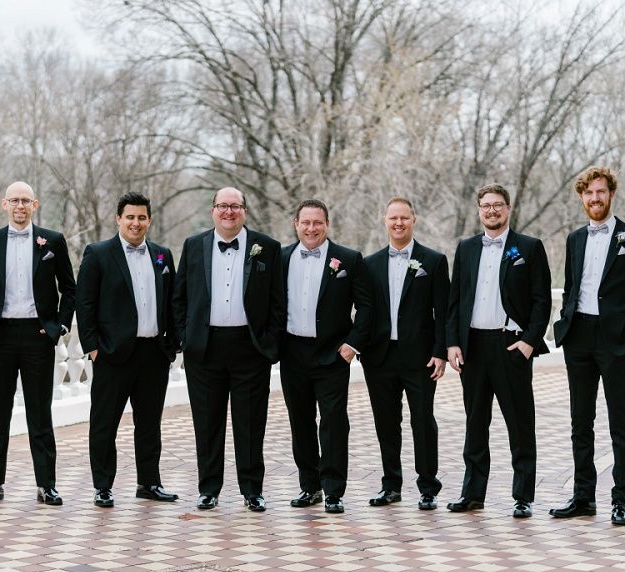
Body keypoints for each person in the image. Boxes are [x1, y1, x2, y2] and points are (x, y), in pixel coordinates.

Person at [549, 166, 625, 526]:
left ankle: (621, 500)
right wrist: (565, 319)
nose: (595, 198)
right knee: (581, 421)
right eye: (589, 193)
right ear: (582, 197)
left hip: (616, 340)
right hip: (579, 336)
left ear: (611, 194)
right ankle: (583, 497)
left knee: (620, 421)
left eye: (601, 192)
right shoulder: (575, 239)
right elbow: (571, 286)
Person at [172, 187, 285, 512]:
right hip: (204, 349)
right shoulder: (194, 246)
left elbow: (278, 301)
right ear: (213, 210)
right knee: (207, 423)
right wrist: (185, 336)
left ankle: (252, 490)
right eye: (223, 206)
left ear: (244, 211)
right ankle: (209, 488)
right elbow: (179, 297)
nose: (229, 212)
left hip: (250, 348)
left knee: (250, 423)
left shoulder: (267, 248)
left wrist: (269, 342)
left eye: (235, 206)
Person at [0, 181, 76, 506]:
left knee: (39, 413)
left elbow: (70, 288)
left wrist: (60, 326)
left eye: (25, 200)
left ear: (35, 204)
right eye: (14, 200)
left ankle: (47, 485)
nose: (19, 206)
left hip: (37, 337)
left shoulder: (52, 241)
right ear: (4, 204)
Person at [445, 183, 551, 518]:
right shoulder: (466, 248)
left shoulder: (528, 248)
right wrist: (452, 343)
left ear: (508, 208)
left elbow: (541, 300)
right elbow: (455, 301)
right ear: (479, 210)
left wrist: (529, 343)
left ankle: (523, 496)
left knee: (520, 423)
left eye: (498, 205)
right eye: (486, 205)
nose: (492, 211)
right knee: (475, 423)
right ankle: (472, 494)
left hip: (510, 346)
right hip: (473, 346)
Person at [76, 192, 179, 508]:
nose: (136, 223)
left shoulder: (162, 256)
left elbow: (174, 303)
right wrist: (94, 348)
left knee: (149, 423)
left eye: (142, 217)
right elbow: (85, 304)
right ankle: (103, 486)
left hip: (153, 354)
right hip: (113, 355)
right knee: (104, 423)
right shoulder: (98, 253)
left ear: (149, 219)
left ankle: (149, 483)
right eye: (130, 217)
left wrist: (171, 346)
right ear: (118, 219)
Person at [279, 199, 372, 514]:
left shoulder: (347, 259)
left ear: (327, 224)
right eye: (305, 222)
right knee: (300, 421)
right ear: (296, 224)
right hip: (292, 352)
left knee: (333, 422)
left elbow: (367, 307)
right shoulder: (282, 259)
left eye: (317, 222)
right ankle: (310, 486)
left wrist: (351, 345)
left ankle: (333, 490)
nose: (311, 228)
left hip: (333, 354)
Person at [362, 197, 449, 511]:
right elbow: (364, 310)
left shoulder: (434, 261)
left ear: (414, 220)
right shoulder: (369, 264)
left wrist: (440, 352)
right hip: (379, 357)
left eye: (404, 218)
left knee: (422, 420)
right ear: (384, 221)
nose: (398, 223)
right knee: (386, 422)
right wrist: (361, 348)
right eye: (393, 218)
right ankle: (391, 486)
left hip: (421, 357)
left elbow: (444, 310)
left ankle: (428, 487)